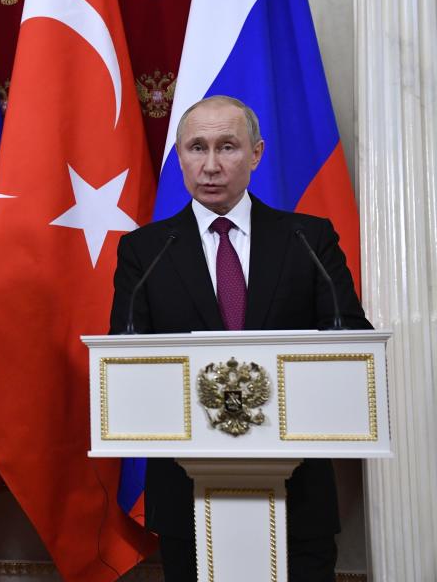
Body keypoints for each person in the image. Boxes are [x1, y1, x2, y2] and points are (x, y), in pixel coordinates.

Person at [109, 95, 371, 582]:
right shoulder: (145, 251)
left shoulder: (308, 240)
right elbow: (126, 362)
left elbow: (351, 341)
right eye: (197, 148)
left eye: (227, 147)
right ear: (180, 157)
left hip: (298, 493)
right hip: (187, 495)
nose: (210, 165)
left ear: (256, 154)